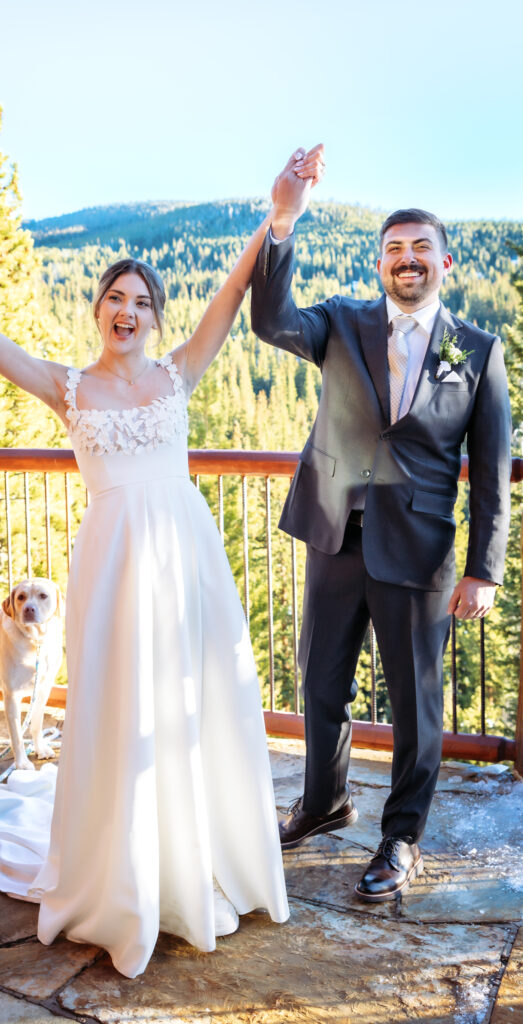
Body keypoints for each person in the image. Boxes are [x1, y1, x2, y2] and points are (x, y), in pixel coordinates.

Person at [0, 143, 324, 976]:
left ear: (155, 318)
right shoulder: (69, 388)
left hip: (184, 563)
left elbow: (232, 291)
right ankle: (123, 874)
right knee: (120, 712)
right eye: (113, 298)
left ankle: (194, 862)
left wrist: (278, 214)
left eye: (140, 301)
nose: (126, 310)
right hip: (110, 569)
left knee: (190, 706)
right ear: (96, 309)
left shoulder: (178, 372)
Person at [250, 150, 511, 902]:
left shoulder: (475, 350)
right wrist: (284, 217)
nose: (406, 260)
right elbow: (271, 320)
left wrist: (483, 569)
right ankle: (323, 802)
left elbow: (490, 470)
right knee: (320, 681)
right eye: (393, 249)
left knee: (415, 700)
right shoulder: (340, 322)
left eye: (419, 249)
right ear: (377, 264)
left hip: (421, 551)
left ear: (444, 263)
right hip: (335, 533)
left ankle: (401, 835)